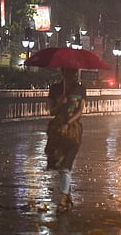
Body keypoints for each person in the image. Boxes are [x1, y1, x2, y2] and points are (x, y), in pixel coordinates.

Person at [44, 68, 86, 214]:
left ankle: (62, 199)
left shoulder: (80, 89)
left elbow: (80, 111)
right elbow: (51, 111)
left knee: (66, 166)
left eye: (74, 73)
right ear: (63, 73)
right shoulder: (55, 89)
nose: (73, 75)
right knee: (60, 165)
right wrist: (60, 103)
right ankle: (67, 195)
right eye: (69, 73)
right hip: (57, 132)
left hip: (73, 132)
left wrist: (68, 123)